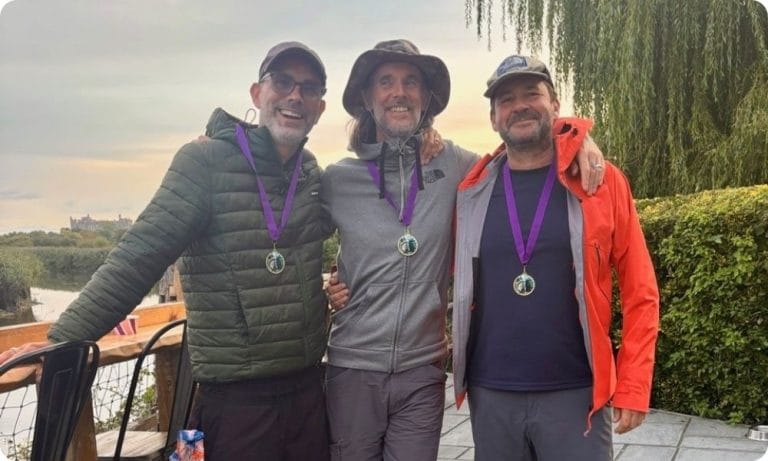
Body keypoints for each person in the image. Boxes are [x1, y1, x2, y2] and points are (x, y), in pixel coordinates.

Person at [0, 41, 332, 461]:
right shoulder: (203, 162)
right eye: (283, 82)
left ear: (320, 107)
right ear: (256, 93)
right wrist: (61, 341)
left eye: (308, 88)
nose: (295, 96)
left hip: (307, 395)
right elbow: (137, 258)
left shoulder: (310, 172)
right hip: (236, 405)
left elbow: (364, 220)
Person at [321, 40, 605, 461]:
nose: (399, 92)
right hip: (352, 368)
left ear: (426, 97)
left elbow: (521, 151)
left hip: (423, 370)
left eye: (411, 81)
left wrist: (575, 139)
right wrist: (324, 285)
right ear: (366, 97)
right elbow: (283, 231)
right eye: (385, 81)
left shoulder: (455, 165)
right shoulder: (336, 180)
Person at [451, 55, 660, 460]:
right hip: (491, 393)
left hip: (576, 393)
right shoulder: (471, 193)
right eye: (506, 100)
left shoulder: (600, 182)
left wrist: (634, 382)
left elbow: (641, 291)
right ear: (494, 118)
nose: (520, 105)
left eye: (532, 93)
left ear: (555, 105)